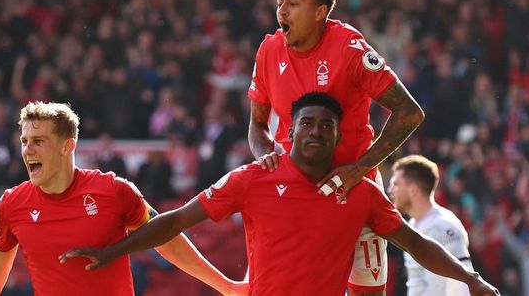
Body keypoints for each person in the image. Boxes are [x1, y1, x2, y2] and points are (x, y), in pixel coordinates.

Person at [60, 92, 499, 296]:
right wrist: (116, 249)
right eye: (306, 123)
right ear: (288, 132)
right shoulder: (252, 179)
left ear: (336, 135)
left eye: (325, 125)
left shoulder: (361, 192)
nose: (315, 131)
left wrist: (472, 279)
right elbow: (176, 220)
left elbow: (415, 243)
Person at [248, 0, 424, 294]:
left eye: (294, 3)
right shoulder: (269, 51)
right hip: (298, 192)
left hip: (355, 192)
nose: (282, 11)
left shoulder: (349, 48)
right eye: (279, 2)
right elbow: (257, 123)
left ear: (319, 13)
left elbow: (409, 112)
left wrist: (358, 169)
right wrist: (266, 154)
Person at [0, 102, 246, 296]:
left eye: (38, 141)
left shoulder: (113, 190)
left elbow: (166, 239)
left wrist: (226, 287)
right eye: (24, 141)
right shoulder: (11, 205)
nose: (27, 150)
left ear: (67, 147)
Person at [387, 154, 474, 296]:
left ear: (413, 189)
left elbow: (465, 280)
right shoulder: (413, 225)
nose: (390, 190)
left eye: (395, 184)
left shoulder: (443, 225)